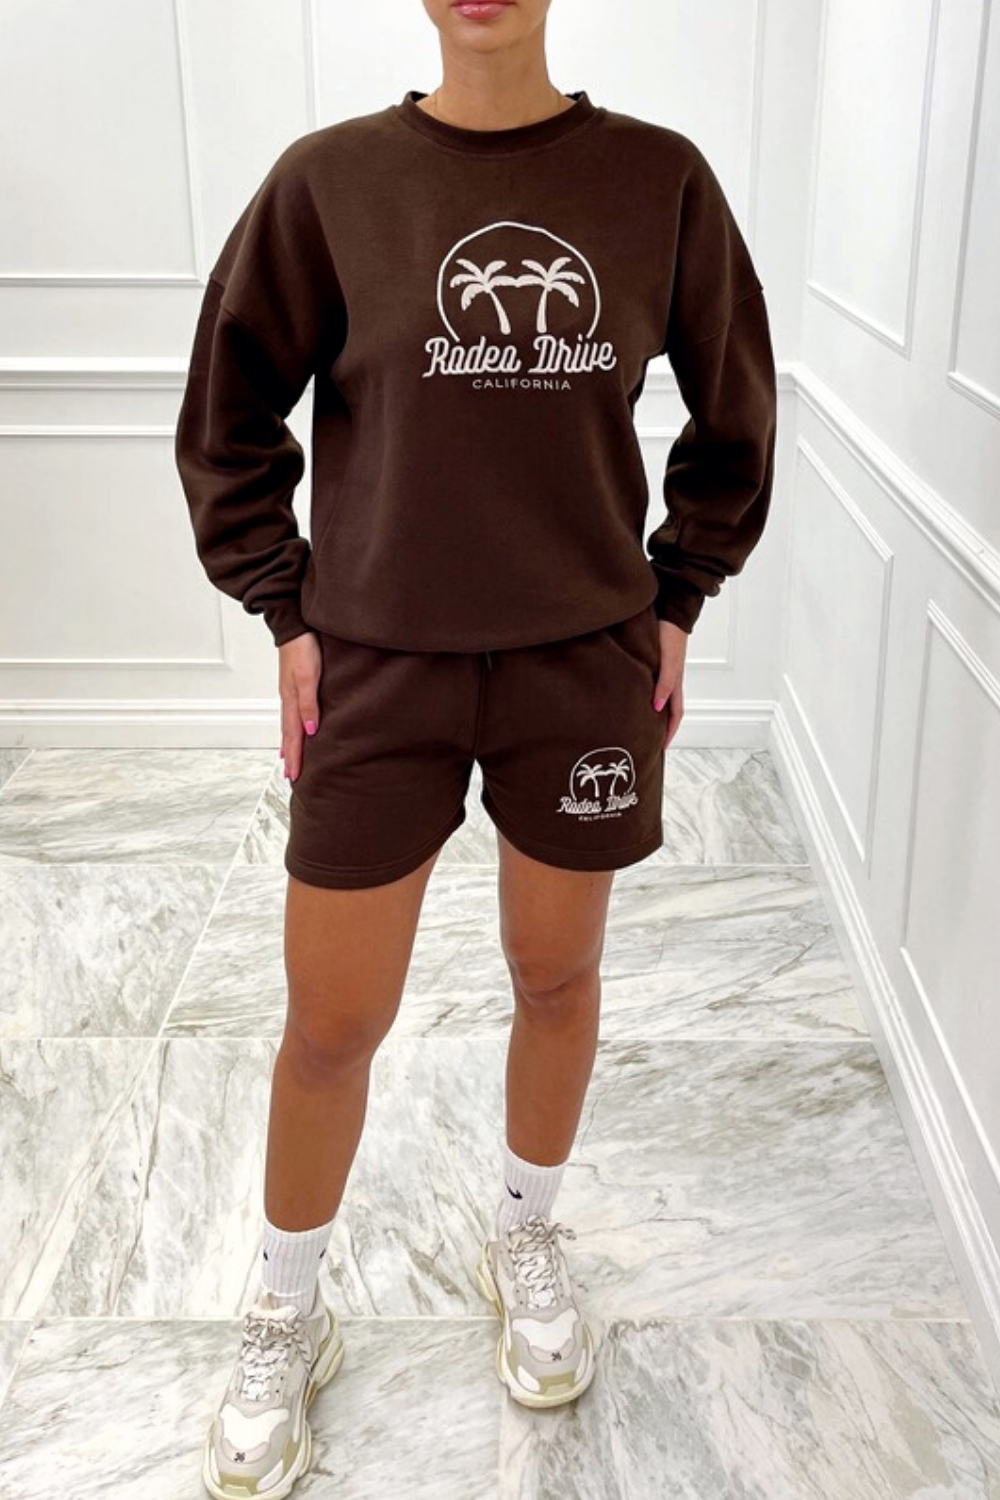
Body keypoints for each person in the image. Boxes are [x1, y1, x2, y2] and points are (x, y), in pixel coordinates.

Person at [176, 2, 777, 1493]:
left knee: (556, 974)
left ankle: (527, 1232)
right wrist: (283, 608)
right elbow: (228, 410)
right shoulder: (329, 184)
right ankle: (287, 1304)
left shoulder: (658, 182)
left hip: (582, 664)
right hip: (377, 666)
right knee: (331, 1021)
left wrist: (681, 592)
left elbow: (735, 408)